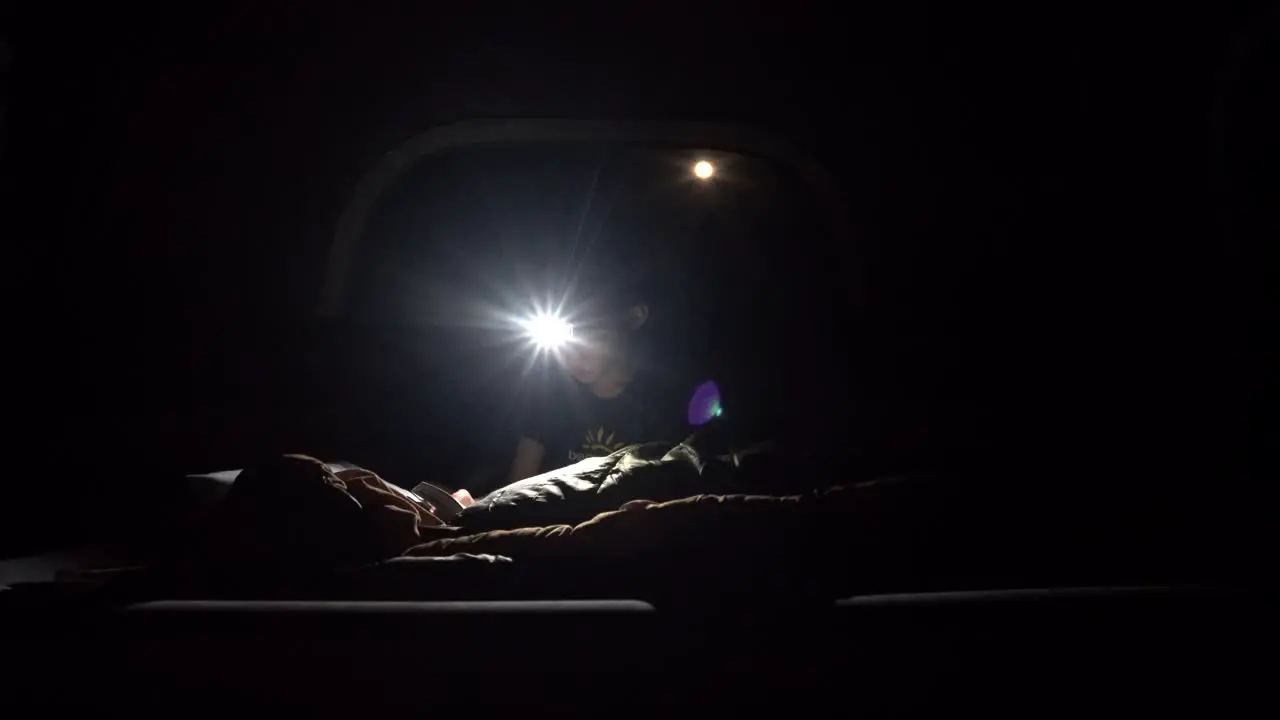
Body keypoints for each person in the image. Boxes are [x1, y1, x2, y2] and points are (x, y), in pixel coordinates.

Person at [506, 258, 700, 482]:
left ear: (634, 317)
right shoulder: (549, 397)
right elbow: (518, 485)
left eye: (590, 334)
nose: (572, 356)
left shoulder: (666, 402)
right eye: (560, 341)